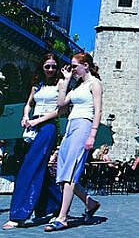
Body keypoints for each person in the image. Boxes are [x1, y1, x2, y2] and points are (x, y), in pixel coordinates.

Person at [2, 54, 63, 230]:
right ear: (42, 67)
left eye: (53, 66)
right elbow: (29, 104)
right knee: (40, 168)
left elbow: (61, 109)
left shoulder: (60, 84)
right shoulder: (37, 85)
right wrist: (25, 116)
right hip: (33, 126)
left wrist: (38, 121)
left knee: (29, 166)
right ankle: (55, 205)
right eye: (47, 66)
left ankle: (18, 214)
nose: (50, 70)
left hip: (48, 127)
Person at [44, 53, 102, 232]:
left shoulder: (94, 83)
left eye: (75, 66)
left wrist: (92, 135)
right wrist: (67, 81)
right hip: (70, 126)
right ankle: (90, 203)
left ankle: (62, 217)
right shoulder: (78, 86)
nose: (72, 69)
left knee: (70, 170)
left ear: (86, 65)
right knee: (62, 172)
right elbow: (61, 104)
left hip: (84, 125)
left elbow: (98, 110)